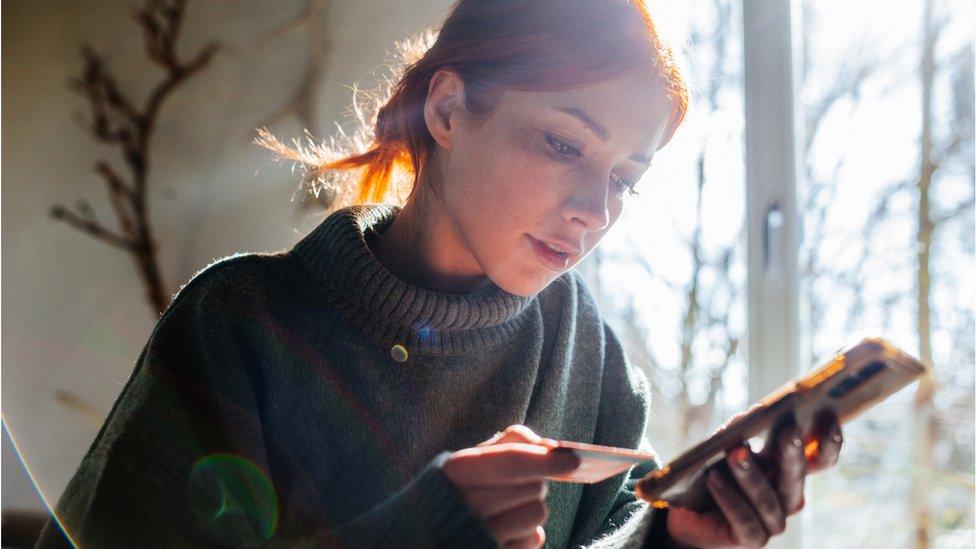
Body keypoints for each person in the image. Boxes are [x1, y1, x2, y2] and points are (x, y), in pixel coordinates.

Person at [35, 0, 843, 547]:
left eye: (626, 177)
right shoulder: (239, 325)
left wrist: (671, 539)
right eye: (566, 144)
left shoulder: (584, 347)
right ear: (448, 110)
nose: (597, 208)